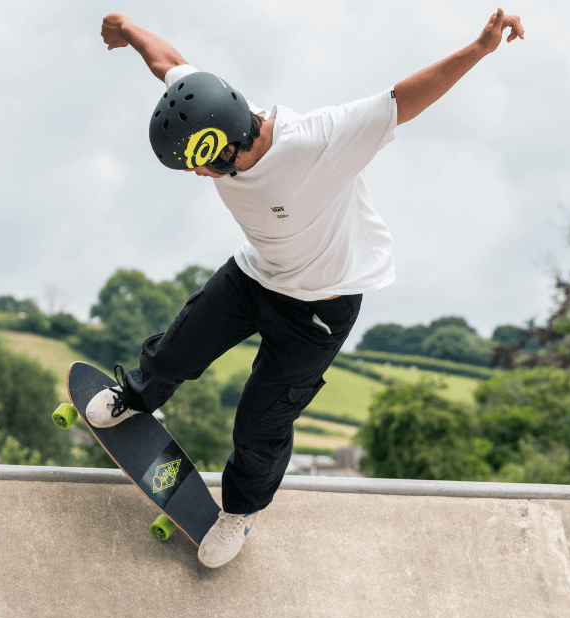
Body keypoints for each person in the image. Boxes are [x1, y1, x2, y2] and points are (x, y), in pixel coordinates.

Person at [93, 8, 525, 569]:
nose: (199, 178)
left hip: (318, 309)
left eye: (199, 167)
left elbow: (401, 100)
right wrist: (127, 30)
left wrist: (479, 48)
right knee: (179, 347)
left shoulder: (320, 139)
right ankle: (138, 399)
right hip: (255, 275)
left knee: (260, 420)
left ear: (225, 143)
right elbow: (170, 64)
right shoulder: (205, 102)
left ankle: (240, 513)